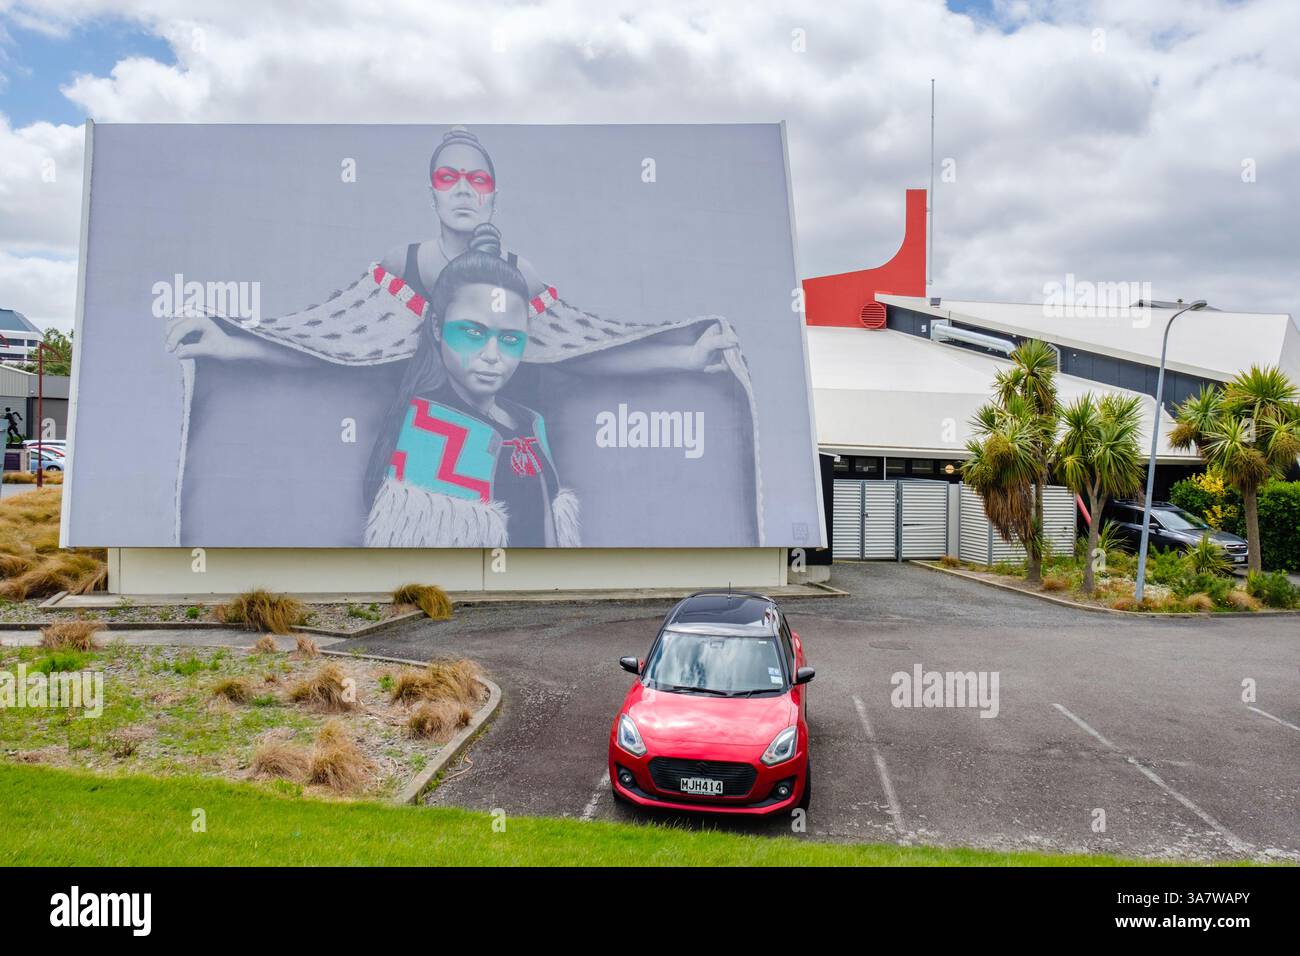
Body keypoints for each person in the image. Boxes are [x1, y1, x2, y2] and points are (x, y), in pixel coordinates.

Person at [364, 224, 574, 547]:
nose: (493, 356)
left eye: (509, 338)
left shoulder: (531, 422)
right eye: (473, 333)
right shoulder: (423, 425)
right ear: (437, 326)